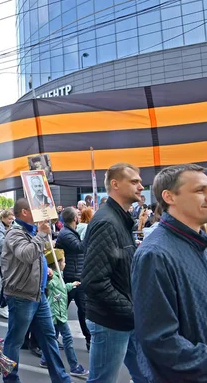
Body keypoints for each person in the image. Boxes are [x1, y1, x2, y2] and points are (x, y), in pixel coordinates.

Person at [132, 164, 207, 382]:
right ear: (169, 197)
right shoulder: (155, 255)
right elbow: (161, 342)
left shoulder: (201, 247)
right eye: (199, 190)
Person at [81, 162, 147, 383]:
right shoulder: (108, 222)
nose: (141, 186)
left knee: (147, 376)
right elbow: (94, 281)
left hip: (126, 318)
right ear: (115, 184)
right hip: (110, 321)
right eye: (134, 181)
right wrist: (131, 310)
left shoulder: (120, 219)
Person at [1, 198, 71, 383]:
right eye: (35, 209)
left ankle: (61, 379)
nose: (40, 212)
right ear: (24, 212)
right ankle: (10, 379)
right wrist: (41, 235)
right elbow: (26, 254)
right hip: (21, 295)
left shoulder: (29, 231)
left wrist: (44, 269)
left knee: (49, 338)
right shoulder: (14, 233)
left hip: (38, 295)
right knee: (14, 341)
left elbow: (35, 257)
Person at [41, 248, 89, 377]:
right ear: (57, 263)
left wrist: (71, 285)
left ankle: (45, 359)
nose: (65, 264)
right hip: (57, 314)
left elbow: (62, 289)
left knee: (52, 338)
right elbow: (50, 284)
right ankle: (74, 366)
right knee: (67, 339)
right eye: (63, 262)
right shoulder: (52, 278)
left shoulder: (59, 277)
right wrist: (48, 274)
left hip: (58, 314)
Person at [56, 207, 91, 351]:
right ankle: (49, 339)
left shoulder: (70, 232)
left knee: (84, 309)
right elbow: (79, 248)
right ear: (75, 219)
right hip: (70, 277)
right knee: (61, 309)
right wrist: (91, 231)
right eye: (77, 215)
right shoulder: (66, 233)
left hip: (77, 276)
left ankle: (89, 340)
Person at [0, 209, 14, 319]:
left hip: (10, 260)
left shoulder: (13, 227)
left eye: (12, 218)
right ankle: (2, 306)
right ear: (3, 218)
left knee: (7, 284)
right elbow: (1, 244)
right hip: (1, 261)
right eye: (9, 218)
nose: (11, 220)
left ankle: (3, 305)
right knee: (7, 284)